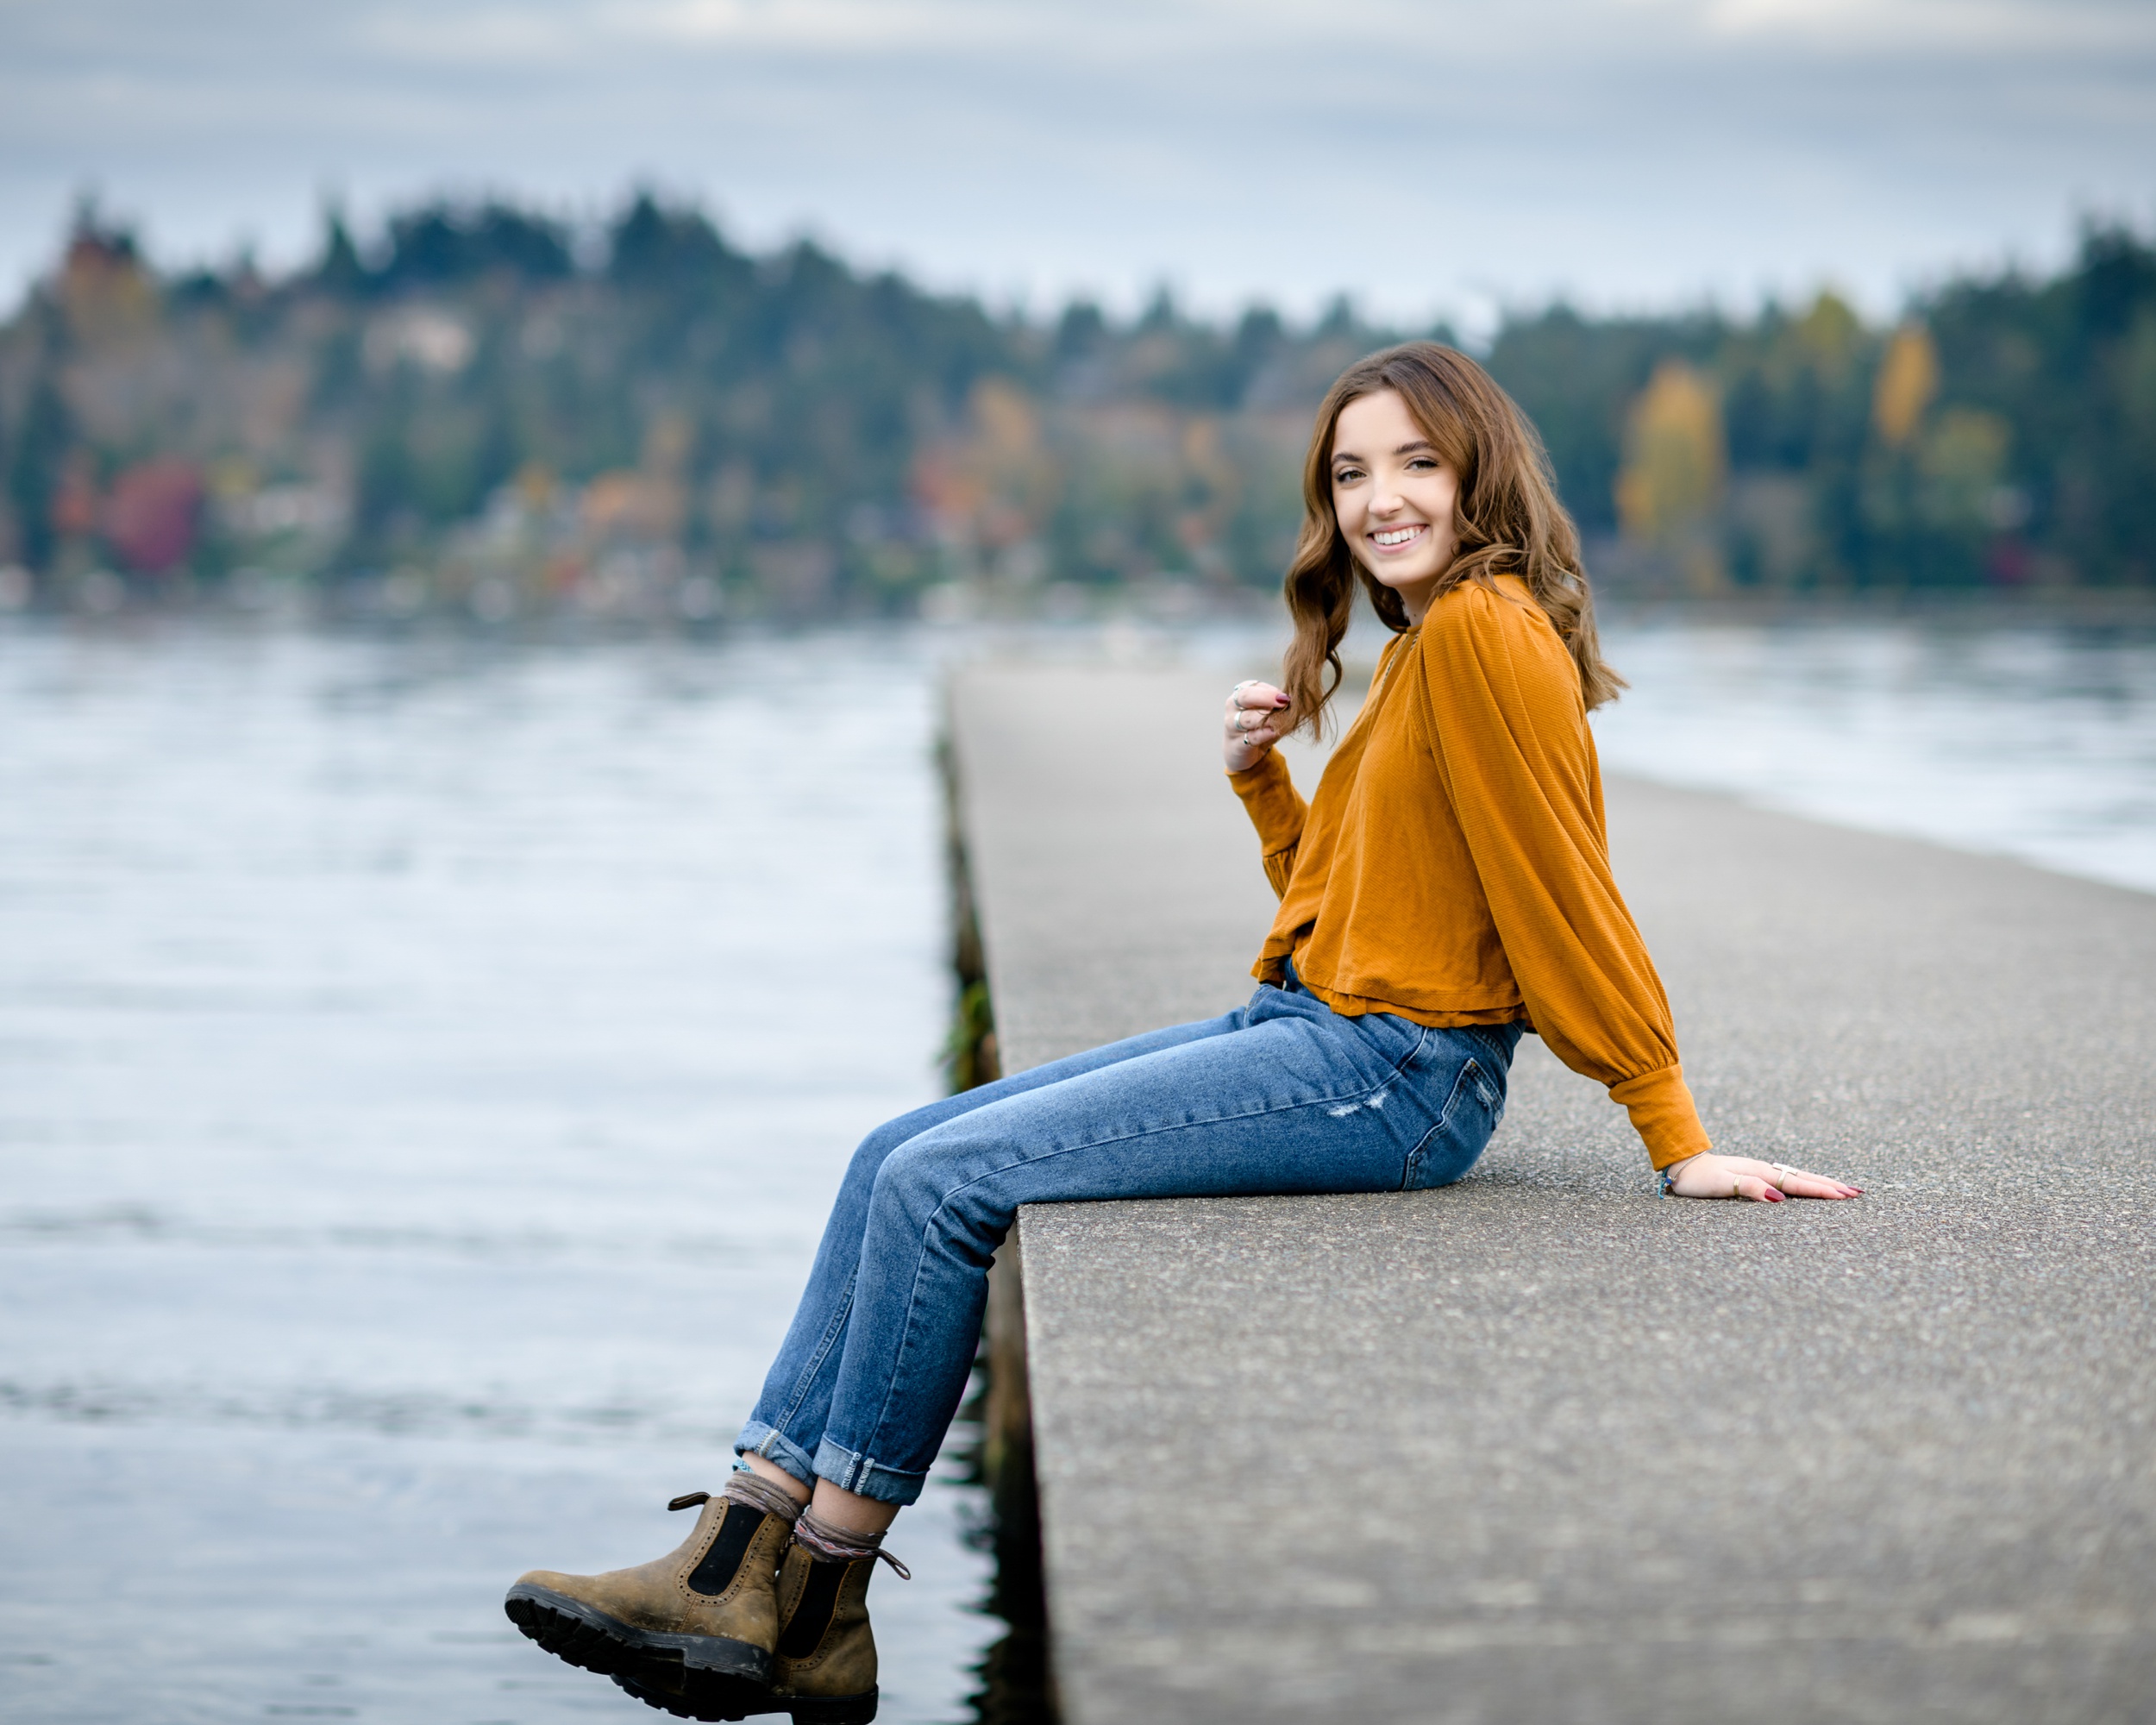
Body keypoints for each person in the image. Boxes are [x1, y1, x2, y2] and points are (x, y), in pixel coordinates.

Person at [503, 342, 1861, 1724]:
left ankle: (812, 1593)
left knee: (940, 1184)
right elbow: (1359, 908)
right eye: (1350, 474)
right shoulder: (1431, 644)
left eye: (1415, 464)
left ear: (1478, 475)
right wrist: (1265, 786)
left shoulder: (1480, 635)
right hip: (1327, 1029)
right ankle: (742, 1553)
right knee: (891, 1151)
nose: (1379, 499)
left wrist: (1669, 1126)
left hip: (1389, 1077)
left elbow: (1564, 887)